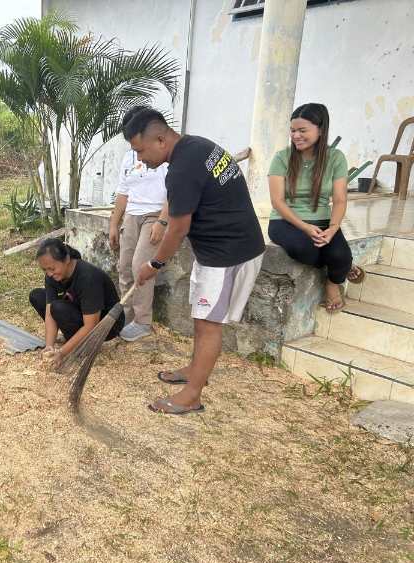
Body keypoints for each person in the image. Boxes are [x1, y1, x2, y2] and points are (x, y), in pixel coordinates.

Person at [125, 109, 265, 415]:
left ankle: (192, 396)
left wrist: (155, 265)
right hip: (223, 249)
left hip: (227, 255)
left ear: (160, 139)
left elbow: (178, 228)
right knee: (202, 319)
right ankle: (194, 370)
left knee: (208, 324)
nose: (140, 159)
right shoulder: (199, 146)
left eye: (140, 150)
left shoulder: (182, 169)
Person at [268, 103, 364, 312]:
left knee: (339, 254)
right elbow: (277, 201)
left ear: (321, 130)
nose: (296, 136)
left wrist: (333, 228)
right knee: (304, 249)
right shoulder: (281, 158)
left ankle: (333, 282)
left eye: (303, 130)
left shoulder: (335, 158)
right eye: (293, 130)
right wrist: (304, 227)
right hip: (285, 221)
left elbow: (339, 199)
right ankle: (344, 268)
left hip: (322, 220)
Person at [109, 105, 170, 342]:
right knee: (124, 267)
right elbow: (123, 192)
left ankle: (143, 322)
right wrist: (115, 223)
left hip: (154, 215)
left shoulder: (163, 154)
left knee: (139, 267)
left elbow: (173, 192)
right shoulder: (129, 157)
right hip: (131, 216)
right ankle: (127, 316)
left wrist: (162, 221)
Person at [29, 238, 125, 368]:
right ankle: (73, 339)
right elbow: (49, 313)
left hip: (106, 326)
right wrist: (49, 346)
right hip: (79, 310)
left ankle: (84, 346)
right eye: (45, 270)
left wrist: (62, 353)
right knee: (37, 296)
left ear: (67, 259)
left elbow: (91, 325)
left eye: (51, 268)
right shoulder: (51, 276)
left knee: (58, 307)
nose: (49, 274)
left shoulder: (88, 277)